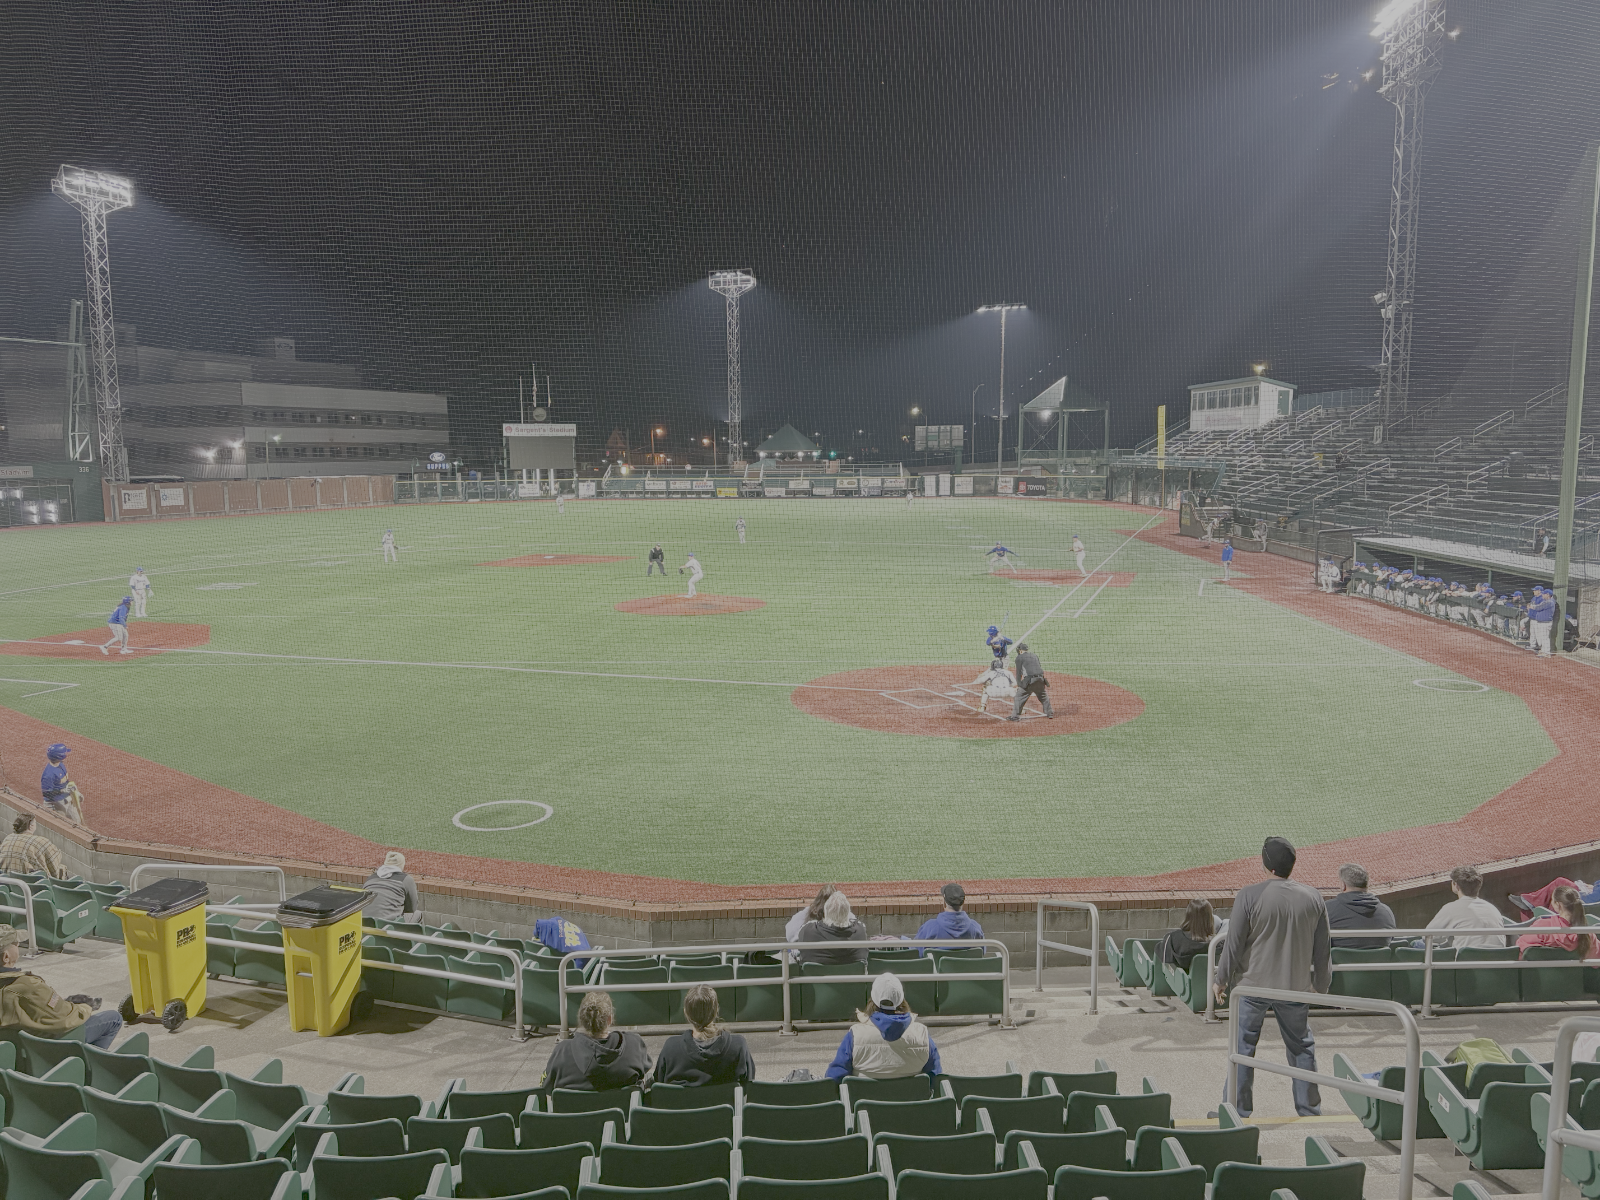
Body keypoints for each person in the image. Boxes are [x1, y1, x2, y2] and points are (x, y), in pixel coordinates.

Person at [1215, 836, 1331, 1118]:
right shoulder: (1313, 897)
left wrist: (1221, 979)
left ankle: (1236, 1110)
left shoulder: (1249, 895)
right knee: (1301, 1047)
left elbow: (1234, 943)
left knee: (1242, 1049)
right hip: (1294, 988)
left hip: (1251, 988)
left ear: (1266, 864)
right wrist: (1322, 985)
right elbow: (1323, 948)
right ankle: (1309, 1110)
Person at [0, 925, 120, 1047]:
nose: (19, 945)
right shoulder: (27, 986)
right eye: (15, 944)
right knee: (114, 1018)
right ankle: (94, 1062)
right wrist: (85, 1007)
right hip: (44, 1045)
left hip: (13, 1046)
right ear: (6, 956)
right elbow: (64, 1017)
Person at [824, 973, 942, 1080]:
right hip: (913, 1103)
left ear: (872, 999)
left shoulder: (855, 1034)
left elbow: (834, 1078)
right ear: (902, 999)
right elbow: (936, 1078)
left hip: (864, 1103)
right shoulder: (922, 1034)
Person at [537, 991, 652, 1093]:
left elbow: (546, 1085)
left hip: (575, 1116)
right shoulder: (633, 1044)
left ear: (581, 1019)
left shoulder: (561, 1052)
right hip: (622, 1116)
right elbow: (644, 1071)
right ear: (609, 1019)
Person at [654, 984, 755, 1087]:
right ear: (716, 1011)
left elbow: (659, 1084)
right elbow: (749, 1084)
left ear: (686, 1013)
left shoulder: (670, 1048)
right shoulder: (738, 1047)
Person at [1425, 866, 1507, 950]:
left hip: (1468, 960)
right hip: (1497, 960)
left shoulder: (1451, 908)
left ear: (1455, 885)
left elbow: (1429, 937)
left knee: (1417, 944)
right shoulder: (1493, 908)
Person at [1324, 864, 1396, 949]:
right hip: (1377, 961)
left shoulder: (1327, 909)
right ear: (1366, 885)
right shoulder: (1387, 912)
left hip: (1343, 962)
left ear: (1343, 885)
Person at [1517, 885, 1595, 958]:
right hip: (1577, 972)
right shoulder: (1588, 936)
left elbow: (1522, 950)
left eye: (1552, 900)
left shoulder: (1542, 926)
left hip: (1542, 972)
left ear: (1558, 905)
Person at [796, 891, 868, 965]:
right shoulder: (860, 930)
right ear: (848, 914)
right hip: (853, 976)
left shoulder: (808, 930)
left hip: (816, 975)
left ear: (825, 912)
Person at [914, 884, 984, 945]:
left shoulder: (929, 927)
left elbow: (915, 950)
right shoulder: (975, 928)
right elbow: (981, 952)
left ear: (944, 904)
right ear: (962, 904)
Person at [0, 815, 66, 879]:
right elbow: (54, 863)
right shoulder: (41, 841)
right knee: (62, 868)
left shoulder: (8, 838)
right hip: (29, 884)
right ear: (30, 826)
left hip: (7, 881)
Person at [362, 851, 421, 923]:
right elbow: (412, 909)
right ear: (401, 865)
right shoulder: (406, 879)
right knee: (418, 914)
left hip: (364, 922)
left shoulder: (370, 879)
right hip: (388, 925)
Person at [1159, 899, 1217, 972]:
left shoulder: (1172, 938)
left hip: (1176, 981)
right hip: (1209, 982)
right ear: (1210, 918)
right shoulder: (1217, 944)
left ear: (1188, 916)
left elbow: (1166, 966)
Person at [1007, 642, 1054, 721]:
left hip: (1030, 680)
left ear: (1020, 651)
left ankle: (1014, 717)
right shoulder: (1034, 655)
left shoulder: (1019, 658)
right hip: (1040, 679)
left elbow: (1019, 672)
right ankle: (1050, 713)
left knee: (1019, 697)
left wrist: (1019, 684)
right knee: (1043, 696)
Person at [39, 744, 83, 825]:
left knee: (77, 822)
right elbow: (46, 794)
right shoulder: (48, 775)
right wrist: (62, 791)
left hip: (66, 799)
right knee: (61, 824)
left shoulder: (60, 764)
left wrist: (75, 792)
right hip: (55, 804)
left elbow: (65, 781)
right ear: (59, 756)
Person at [1527, 586, 1556, 657]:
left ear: (1548, 595)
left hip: (1545, 623)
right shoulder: (1547, 601)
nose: (1542, 595)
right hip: (1542, 622)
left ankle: (1546, 652)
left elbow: (1539, 607)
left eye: (1544, 594)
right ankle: (1543, 651)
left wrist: (1531, 606)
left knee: (1545, 638)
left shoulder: (1549, 602)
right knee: (1542, 637)